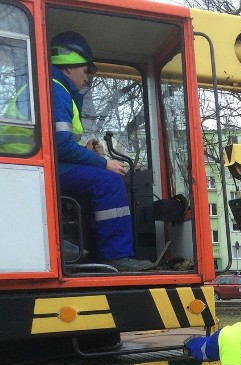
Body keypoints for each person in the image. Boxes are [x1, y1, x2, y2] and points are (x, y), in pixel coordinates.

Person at [50, 31, 154, 271]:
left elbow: (56, 143)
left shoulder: (55, 89)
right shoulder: (56, 91)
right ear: (68, 69)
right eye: (84, 71)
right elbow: (60, 146)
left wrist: (86, 152)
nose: (86, 79)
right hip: (39, 168)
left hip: (38, 165)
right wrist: (104, 163)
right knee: (108, 181)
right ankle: (116, 255)